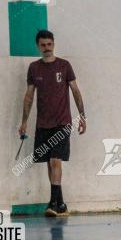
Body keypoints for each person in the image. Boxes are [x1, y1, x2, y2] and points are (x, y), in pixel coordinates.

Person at [19, 30, 87, 217]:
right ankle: (61, 204)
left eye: (49, 44)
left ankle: (53, 203)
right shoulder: (34, 68)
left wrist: (82, 116)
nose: (47, 48)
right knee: (49, 164)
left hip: (62, 122)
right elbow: (28, 96)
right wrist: (24, 121)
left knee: (56, 161)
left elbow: (75, 91)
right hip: (43, 124)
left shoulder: (65, 66)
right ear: (38, 46)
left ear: (54, 44)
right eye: (43, 45)